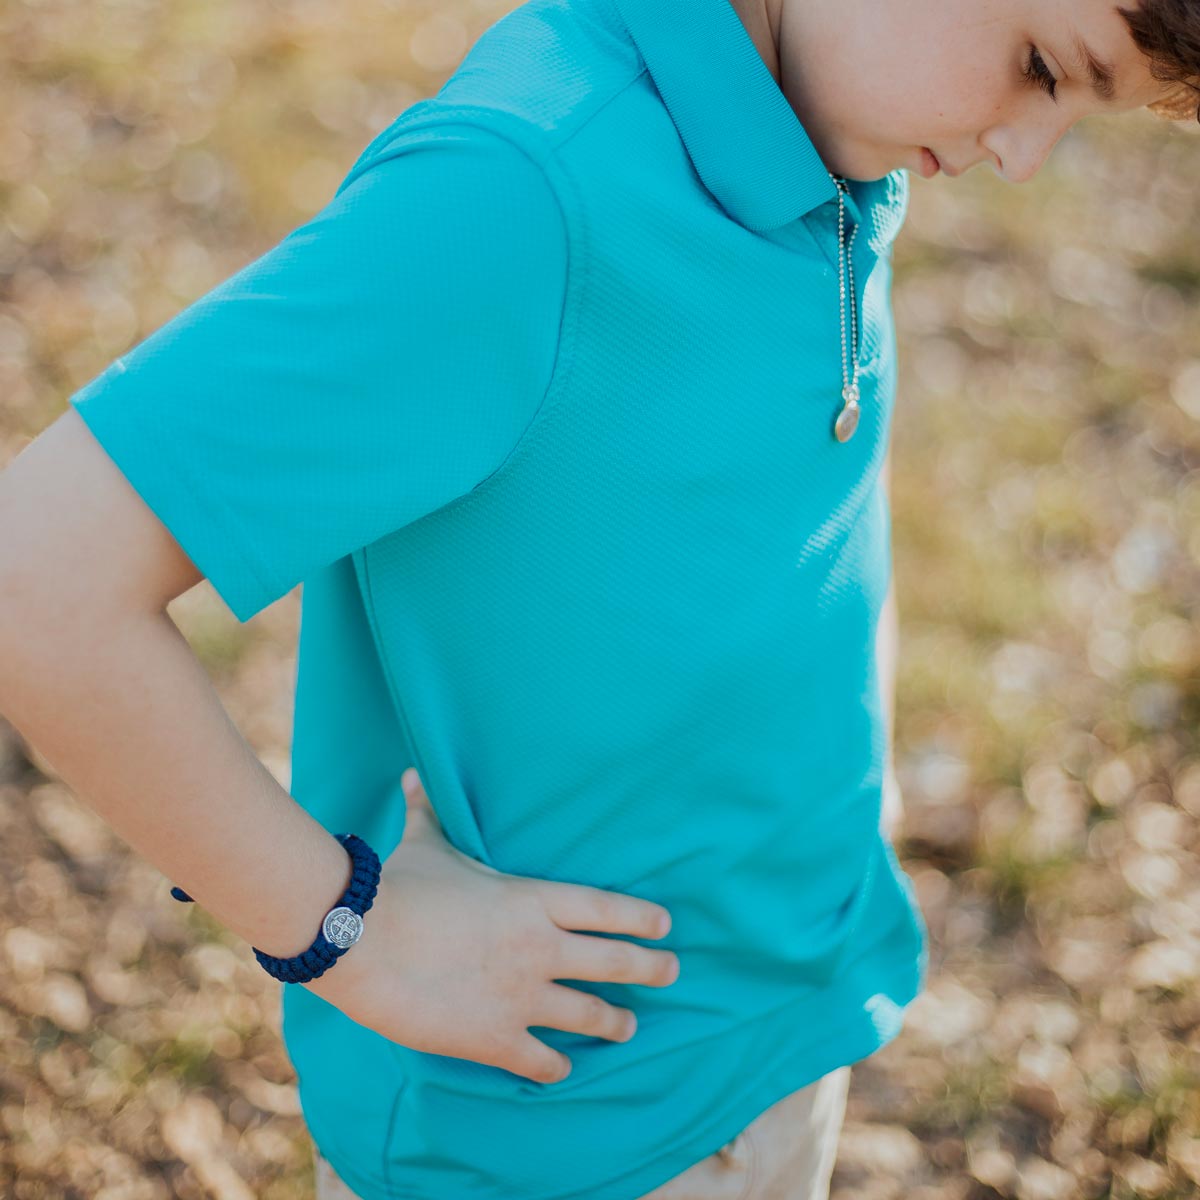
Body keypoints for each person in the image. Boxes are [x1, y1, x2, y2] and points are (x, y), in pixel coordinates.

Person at [0, 0, 1194, 1197]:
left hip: (781, 1043)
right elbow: (38, 581)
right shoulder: (523, 190)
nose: (1024, 156)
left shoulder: (825, 120)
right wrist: (346, 930)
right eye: (1039, 68)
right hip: (544, 1130)